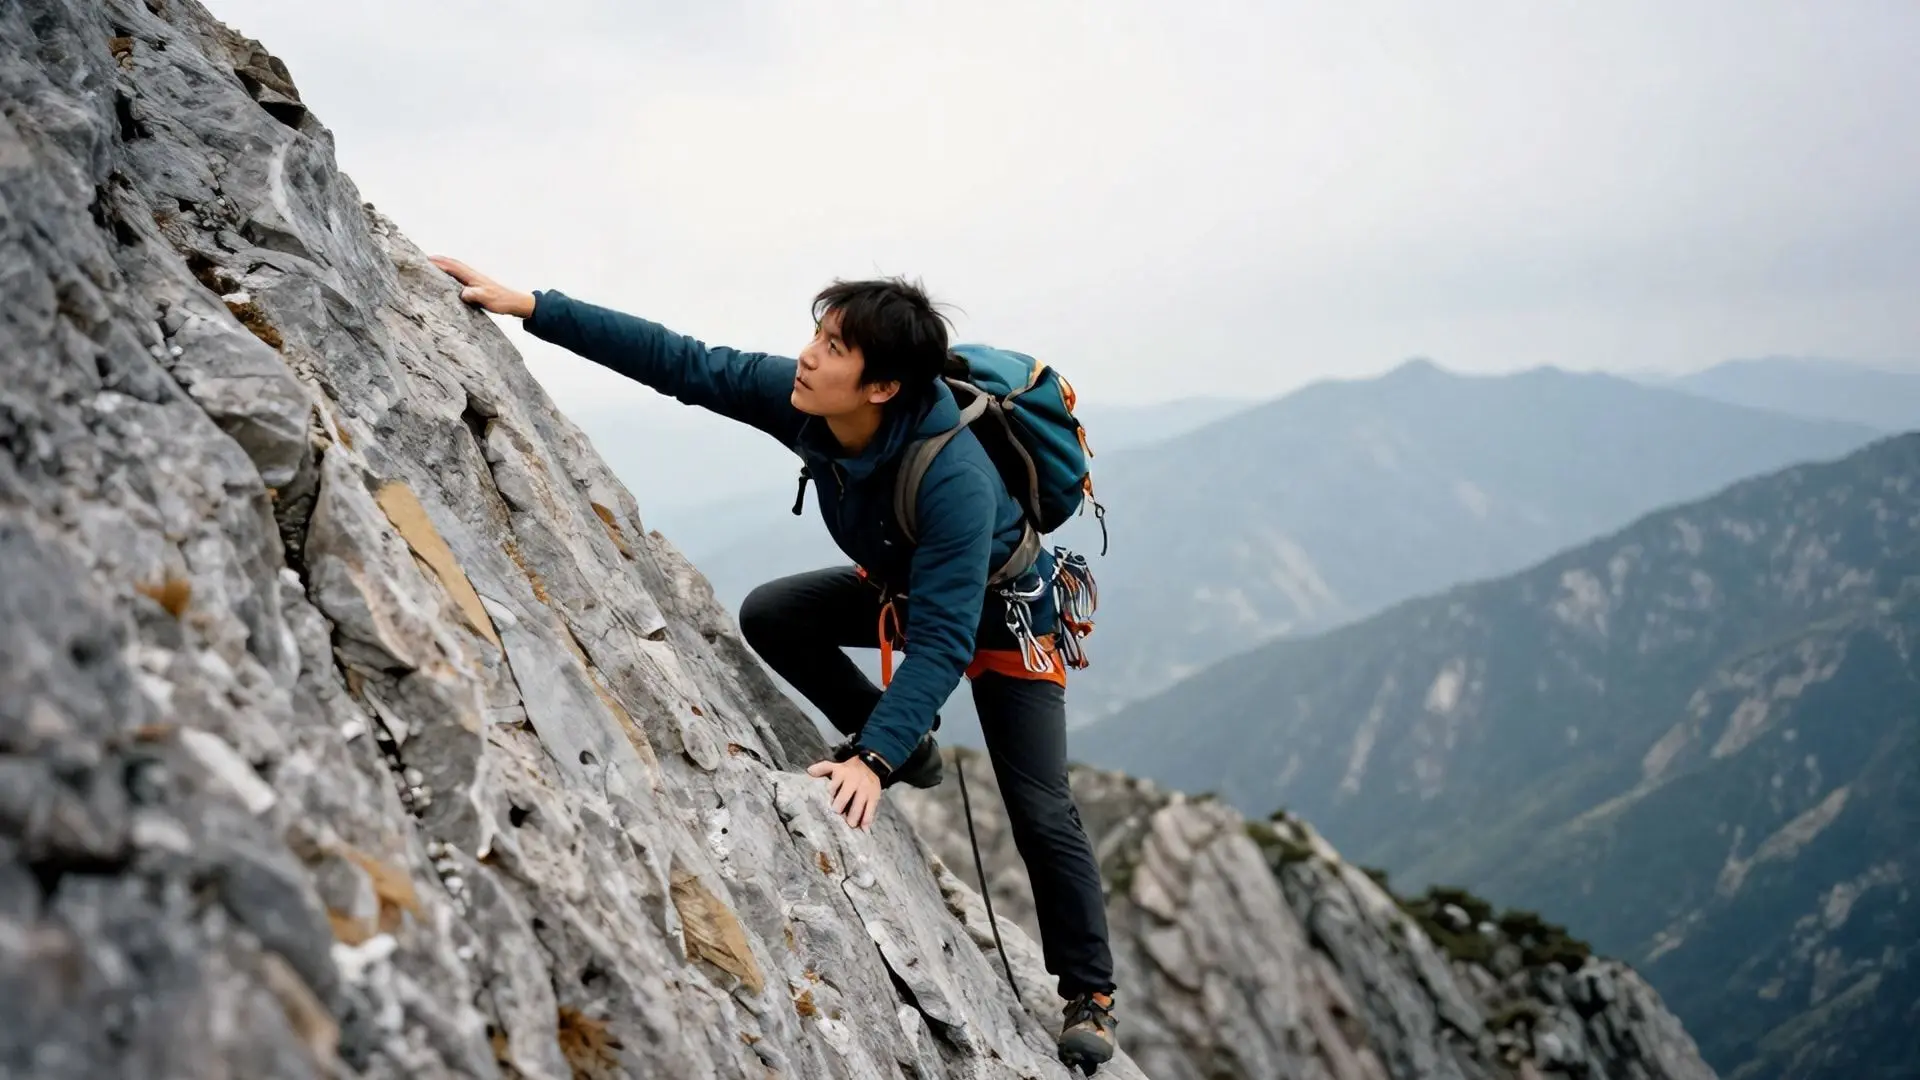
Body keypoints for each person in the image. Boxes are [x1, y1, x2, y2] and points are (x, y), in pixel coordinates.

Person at [430, 257, 1119, 1070]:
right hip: (907, 587)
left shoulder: (954, 480)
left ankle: (1090, 994)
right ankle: (909, 744)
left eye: (834, 347)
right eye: (819, 335)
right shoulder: (808, 405)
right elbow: (682, 362)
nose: (809, 356)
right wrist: (534, 306)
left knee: (1039, 805)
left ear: (882, 388)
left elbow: (943, 642)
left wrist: (871, 758)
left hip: (1005, 616)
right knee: (773, 614)